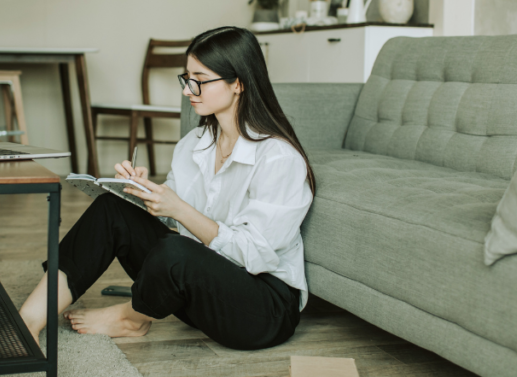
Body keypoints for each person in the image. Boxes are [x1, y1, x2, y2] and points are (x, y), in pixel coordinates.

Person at [18, 25, 316, 351]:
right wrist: (144, 193)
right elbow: (173, 223)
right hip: (203, 287)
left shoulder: (279, 159)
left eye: (200, 79)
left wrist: (179, 209)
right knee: (112, 210)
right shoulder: (195, 144)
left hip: (262, 309)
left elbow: (254, 255)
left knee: (177, 253)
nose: (188, 90)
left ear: (238, 84)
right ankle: (28, 321)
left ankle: (132, 316)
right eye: (186, 78)